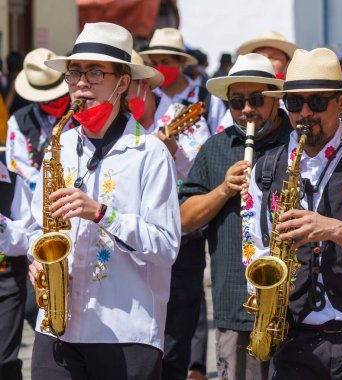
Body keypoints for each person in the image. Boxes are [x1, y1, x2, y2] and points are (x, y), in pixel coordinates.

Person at [27, 22, 181, 380]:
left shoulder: (151, 153)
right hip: (56, 329)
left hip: (125, 332)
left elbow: (166, 246)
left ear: (123, 82)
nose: (82, 83)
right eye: (75, 73)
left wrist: (102, 213)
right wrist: (38, 258)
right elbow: (37, 226)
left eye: (96, 73)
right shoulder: (58, 147)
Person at [245, 47, 342, 379]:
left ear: (341, 102)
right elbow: (253, 247)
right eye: (294, 103)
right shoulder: (266, 168)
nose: (305, 113)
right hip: (293, 338)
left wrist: (335, 229)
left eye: (316, 102)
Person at [179, 53, 292, 380]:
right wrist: (224, 190)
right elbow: (185, 219)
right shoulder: (215, 148)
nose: (246, 110)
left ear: (275, 99)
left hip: (294, 306)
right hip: (235, 304)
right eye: (237, 101)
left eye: (257, 99)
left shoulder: (297, 142)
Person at [128, 50, 212, 380]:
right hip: (128, 242)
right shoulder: (112, 125)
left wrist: (175, 152)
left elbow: (202, 172)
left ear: (144, 85)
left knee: (176, 333)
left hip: (180, 237)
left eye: (131, 84)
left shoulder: (181, 116)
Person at [139, 27, 226, 135]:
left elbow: (219, 142)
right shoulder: (147, 98)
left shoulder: (208, 100)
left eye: (165, 62)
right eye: (155, 63)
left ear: (182, 61)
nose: (159, 68)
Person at [6, 48, 71, 192]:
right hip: (33, 199)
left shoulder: (81, 113)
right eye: (48, 99)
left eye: (58, 97)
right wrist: (45, 190)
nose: (54, 102)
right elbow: (17, 162)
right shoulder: (19, 121)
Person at [0, 147, 33, 380]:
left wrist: (2, 226)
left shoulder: (9, 172)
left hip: (6, 278)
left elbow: (29, 237)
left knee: (5, 363)